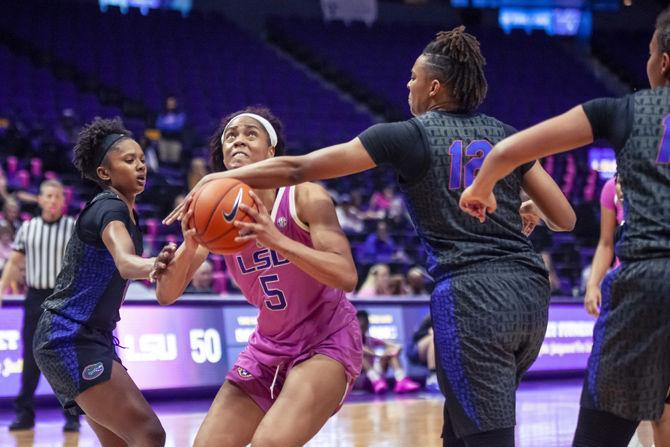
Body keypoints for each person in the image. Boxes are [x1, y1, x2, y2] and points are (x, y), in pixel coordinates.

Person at [167, 26, 576, 446]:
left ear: (434, 87)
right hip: (530, 294)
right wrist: (533, 211)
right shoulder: (506, 133)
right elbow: (564, 218)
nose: (408, 84)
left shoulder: (406, 135)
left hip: (472, 294)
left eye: (414, 78)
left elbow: (298, 168)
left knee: (487, 435)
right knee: (464, 426)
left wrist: (218, 177)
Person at [459, 8, 670, 447]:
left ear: (663, 62)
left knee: (600, 437)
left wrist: (480, 188)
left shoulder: (625, 110)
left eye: (649, 51)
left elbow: (508, 150)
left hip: (648, 283)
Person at [156, 107, 363, 447]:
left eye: (250, 134)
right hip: (268, 346)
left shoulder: (304, 195)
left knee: (271, 443)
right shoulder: (214, 210)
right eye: (230, 136)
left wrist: (276, 239)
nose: (238, 140)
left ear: (271, 152)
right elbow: (166, 294)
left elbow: (346, 275)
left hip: (326, 339)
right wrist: (192, 241)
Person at [32, 118, 171, 446]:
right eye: (128, 160)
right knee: (149, 433)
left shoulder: (124, 211)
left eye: (140, 158)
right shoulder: (109, 208)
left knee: (121, 442)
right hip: (67, 337)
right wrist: (153, 263)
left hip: (87, 336)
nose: (140, 166)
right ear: (104, 173)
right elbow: (125, 262)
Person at [0, 180, 78, 432]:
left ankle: (72, 417)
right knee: (31, 357)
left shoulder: (72, 227)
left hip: (62, 298)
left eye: (57, 196)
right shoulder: (28, 228)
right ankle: (25, 415)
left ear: (62, 201)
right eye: (48, 196)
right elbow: (13, 263)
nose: (52, 200)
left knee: (65, 358)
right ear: (40, 200)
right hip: (34, 298)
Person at [583, 175, 623, 317]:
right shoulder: (613, 187)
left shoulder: (661, 184)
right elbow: (606, 244)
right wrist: (592, 285)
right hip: (623, 283)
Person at [356, 310, 421, 394]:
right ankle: (375, 380)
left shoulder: (370, 339)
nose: (363, 325)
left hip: (377, 380)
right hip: (360, 379)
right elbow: (362, 350)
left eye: (365, 323)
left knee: (391, 351)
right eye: (360, 323)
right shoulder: (351, 340)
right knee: (361, 356)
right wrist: (379, 355)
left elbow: (395, 345)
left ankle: (401, 380)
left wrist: (396, 350)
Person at [408, 314, 438, 392]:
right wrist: (429, 332)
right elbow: (416, 336)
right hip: (416, 351)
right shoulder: (431, 317)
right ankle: (432, 377)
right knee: (434, 336)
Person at [156, 95, 186, 164]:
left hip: (175, 140)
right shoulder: (162, 114)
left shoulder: (180, 115)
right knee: (163, 160)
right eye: (169, 103)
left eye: (172, 103)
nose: (171, 104)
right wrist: (171, 126)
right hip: (163, 140)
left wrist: (166, 126)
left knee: (174, 161)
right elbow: (159, 126)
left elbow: (178, 127)